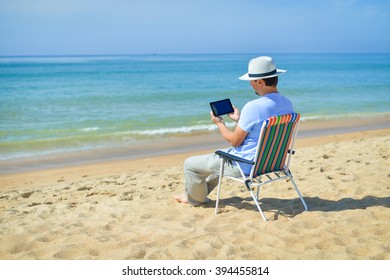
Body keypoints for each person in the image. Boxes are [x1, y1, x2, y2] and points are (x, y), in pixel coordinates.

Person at [174, 56, 294, 205]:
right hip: (272, 162)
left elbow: (234, 141)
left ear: (260, 82)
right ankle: (190, 192)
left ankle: (193, 198)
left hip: (246, 165)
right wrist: (240, 120)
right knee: (215, 158)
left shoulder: (254, 107)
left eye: (251, 81)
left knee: (190, 164)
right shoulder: (287, 104)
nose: (250, 84)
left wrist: (219, 123)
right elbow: (263, 128)